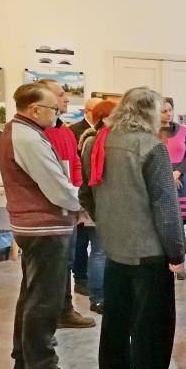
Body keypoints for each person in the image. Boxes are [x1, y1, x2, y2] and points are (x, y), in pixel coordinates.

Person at [79, 87, 186, 369]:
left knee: (115, 321)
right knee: (152, 328)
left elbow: (86, 193)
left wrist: (107, 225)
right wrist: (177, 253)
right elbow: (166, 208)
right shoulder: (151, 147)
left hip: (115, 248)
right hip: (148, 253)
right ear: (150, 113)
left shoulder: (98, 142)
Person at [1, 83, 83, 369]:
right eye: (53, 108)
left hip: (35, 226)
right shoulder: (28, 138)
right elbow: (57, 186)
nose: (57, 113)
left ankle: (24, 359)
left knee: (31, 295)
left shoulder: (21, 132)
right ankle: (42, 367)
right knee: (44, 300)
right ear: (35, 110)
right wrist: (83, 205)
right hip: (44, 227)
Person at [37, 79, 96, 329]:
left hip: (69, 206)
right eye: (61, 95)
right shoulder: (39, 134)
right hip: (49, 212)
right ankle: (48, 319)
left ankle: (64, 310)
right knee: (50, 269)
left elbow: (75, 165)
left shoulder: (66, 131)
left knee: (67, 262)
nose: (67, 99)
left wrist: (79, 199)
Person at [77, 100, 117, 315]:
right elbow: (88, 179)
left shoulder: (108, 140)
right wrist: (95, 211)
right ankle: (98, 298)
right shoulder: (93, 141)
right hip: (98, 206)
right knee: (100, 252)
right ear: (105, 117)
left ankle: (105, 295)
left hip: (106, 207)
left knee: (105, 252)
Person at [69, 97, 102, 298]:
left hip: (95, 195)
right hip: (81, 193)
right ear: (87, 111)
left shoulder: (105, 134)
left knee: (97, 247)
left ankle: (92, 281)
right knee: (80, 242)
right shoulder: (74, 131)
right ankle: (80, 278)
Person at [159, 97, 186, 280]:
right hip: (160, 182)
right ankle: (164, 263)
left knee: (181, 224)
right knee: (164, 223)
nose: (168, 114)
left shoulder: (182, 131)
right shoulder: (152, 132)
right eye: (164, 111)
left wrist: (178, 172)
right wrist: (168, 175)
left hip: (181, 182)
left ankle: (180, 263)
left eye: (170, 110)